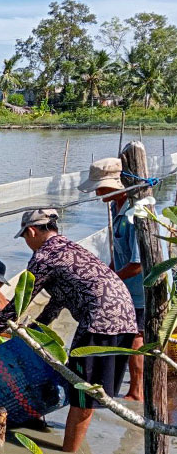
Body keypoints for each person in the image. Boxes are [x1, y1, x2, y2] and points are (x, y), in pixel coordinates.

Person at [0, 209, 137, 452]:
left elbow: (19, 303)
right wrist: (33, 332)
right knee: (93, 392)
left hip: (100, 323)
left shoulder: (44, 256)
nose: (27, 243)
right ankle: (74, 450)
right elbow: (56, 303)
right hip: (126, 319)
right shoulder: (71, 249)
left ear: (31, 231)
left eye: (24, 238)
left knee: (83, 393)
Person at [79, 157, 144, 402]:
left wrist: (112, 280)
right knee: (131, 335)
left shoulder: (136, 214)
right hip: (127, 288)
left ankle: (136, 391)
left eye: (101, 187)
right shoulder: (117, 207)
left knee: (136, 338)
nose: (97, 193)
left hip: (142, 291)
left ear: (118, 185)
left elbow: (138, 263)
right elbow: (121, 253)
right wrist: (107, 274)